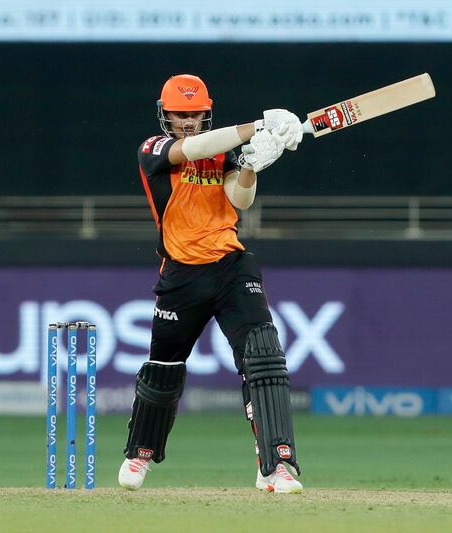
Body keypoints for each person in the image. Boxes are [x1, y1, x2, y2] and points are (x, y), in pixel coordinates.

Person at [118, 74, 304, 493]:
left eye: (195, 114)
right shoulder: (154, 150)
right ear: (165, 114)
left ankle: (276, 465)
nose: (187, 121)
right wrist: (257, 127)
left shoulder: (226, 154)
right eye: (179, 114)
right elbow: (195, 148)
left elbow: (240, 201)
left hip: (231, 266)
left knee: (264, 359)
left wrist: (252, 165)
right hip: (181, 273)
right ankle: (140, 453)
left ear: (207, 111)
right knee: (163, 369)